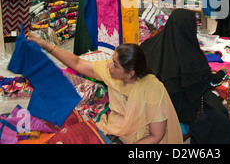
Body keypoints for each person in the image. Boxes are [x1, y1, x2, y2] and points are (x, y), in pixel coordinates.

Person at [26, 33, 183, 144]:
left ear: (130, 74)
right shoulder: (112, 73)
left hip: (136, 140)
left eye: (114, 64)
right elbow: (78, 63)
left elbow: (157, 135)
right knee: (64, 138)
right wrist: (46, 45)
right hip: (110, 128)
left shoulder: (152, 89)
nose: (108, 65)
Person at [140, 8, 230, 144]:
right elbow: (203, 85)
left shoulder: (148, 46)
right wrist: (222, 73)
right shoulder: (192, 56)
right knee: (221, 120)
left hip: (153, 105)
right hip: (182, 110)